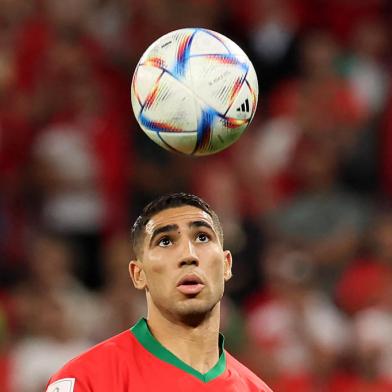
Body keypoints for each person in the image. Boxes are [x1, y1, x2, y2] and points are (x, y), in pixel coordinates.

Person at [46, 192, 272, 391]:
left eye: (202, 237)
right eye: (165, 241)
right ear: (138, 274)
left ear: (226, 265)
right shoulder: (87, 379)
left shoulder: (256, 389)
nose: (188, 255)